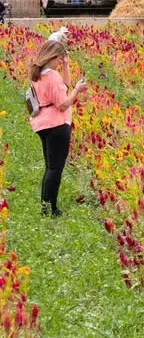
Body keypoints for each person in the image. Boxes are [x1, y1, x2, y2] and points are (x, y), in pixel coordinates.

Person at [27, 40, 87, 216]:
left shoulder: (39, 74)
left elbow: (64, 86)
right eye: (60, 59)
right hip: (56, 124)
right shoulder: (52, 76)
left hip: (42, 124)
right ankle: (50, 210)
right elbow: (63, 104)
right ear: (52, 56)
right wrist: (77, 90)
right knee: (55, 169)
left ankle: (47, 207)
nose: (61, 62)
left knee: (50, 167)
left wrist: (67, 65)